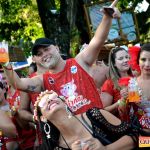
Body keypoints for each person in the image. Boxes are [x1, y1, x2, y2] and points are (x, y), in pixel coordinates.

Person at [2, 0, 120, 115]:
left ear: (57, 48)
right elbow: (18, 84)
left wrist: (107, 18)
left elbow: (97, 40)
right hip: (71, 133)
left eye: (46, 49)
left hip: (98, 128)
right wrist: (4, 61)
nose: (44, 55)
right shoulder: (42, 80)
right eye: (39, 54)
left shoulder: (79, 62)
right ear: (36, 59)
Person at [33, 90, 138, 150]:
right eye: (43, 103)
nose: (50, 100)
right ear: (43, 118)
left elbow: (142, 139)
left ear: (64, 101)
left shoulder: (95, 115)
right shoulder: (55, 147)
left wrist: (107, 149)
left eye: (52, 96)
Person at [118, 43, 150, 134]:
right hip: (141, 133)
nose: (147, 64)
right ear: (137, 61)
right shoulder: (133, 84)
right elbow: (126, 114)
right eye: (143, 59)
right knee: (143, 144)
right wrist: (124, 100)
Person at [100, 47, 133, 115]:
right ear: (114, 63)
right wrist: (120, 101)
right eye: (121, 58)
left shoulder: (136, 78)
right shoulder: (109, 83)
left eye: (127, 57)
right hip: (121, 123)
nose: (126, 60)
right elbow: (104, 111)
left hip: (141, 122)